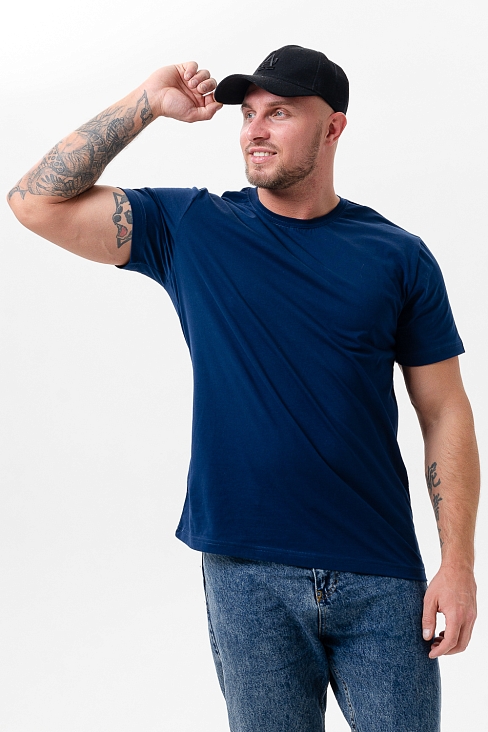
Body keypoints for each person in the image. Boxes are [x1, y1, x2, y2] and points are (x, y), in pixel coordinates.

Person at [7, 45, 479, 732]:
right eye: (248, 113)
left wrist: (458, 565)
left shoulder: (397, 256)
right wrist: (147, 103)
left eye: (279, 112)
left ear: (333, 128)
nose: (255, 130)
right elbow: (34, 202)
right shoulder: (193, 229)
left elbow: (444, 411)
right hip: (247, 574)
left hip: (379, 572)